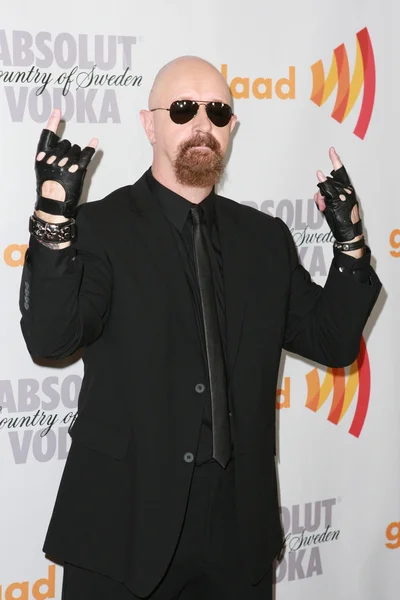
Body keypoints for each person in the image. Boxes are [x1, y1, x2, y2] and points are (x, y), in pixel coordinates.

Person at [19, 56, 382, 600]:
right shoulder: (98, 228)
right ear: (149, 124)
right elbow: (51, 339)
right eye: (184, 109)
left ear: (231, 127)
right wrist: (52, 221)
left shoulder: (265, 238)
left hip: (239, 528)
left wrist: (350, 249)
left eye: (217, 112)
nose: (201, 125)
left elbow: (331, 343)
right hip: (125, 522)